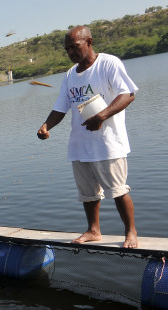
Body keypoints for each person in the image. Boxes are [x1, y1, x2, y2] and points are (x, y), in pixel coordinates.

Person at [37, 26, 138, 248]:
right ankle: (93, 230)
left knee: (118, 190)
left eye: (75, 46)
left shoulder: (108, 63)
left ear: (89, 42)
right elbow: (61, 107)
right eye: (67, 49)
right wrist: (46, 125)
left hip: (107, 143)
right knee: (88, 194)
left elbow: (128, 94)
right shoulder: (70, 75)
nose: (71, 52)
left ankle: (130, 232)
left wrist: (102, 116)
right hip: (80, 144)